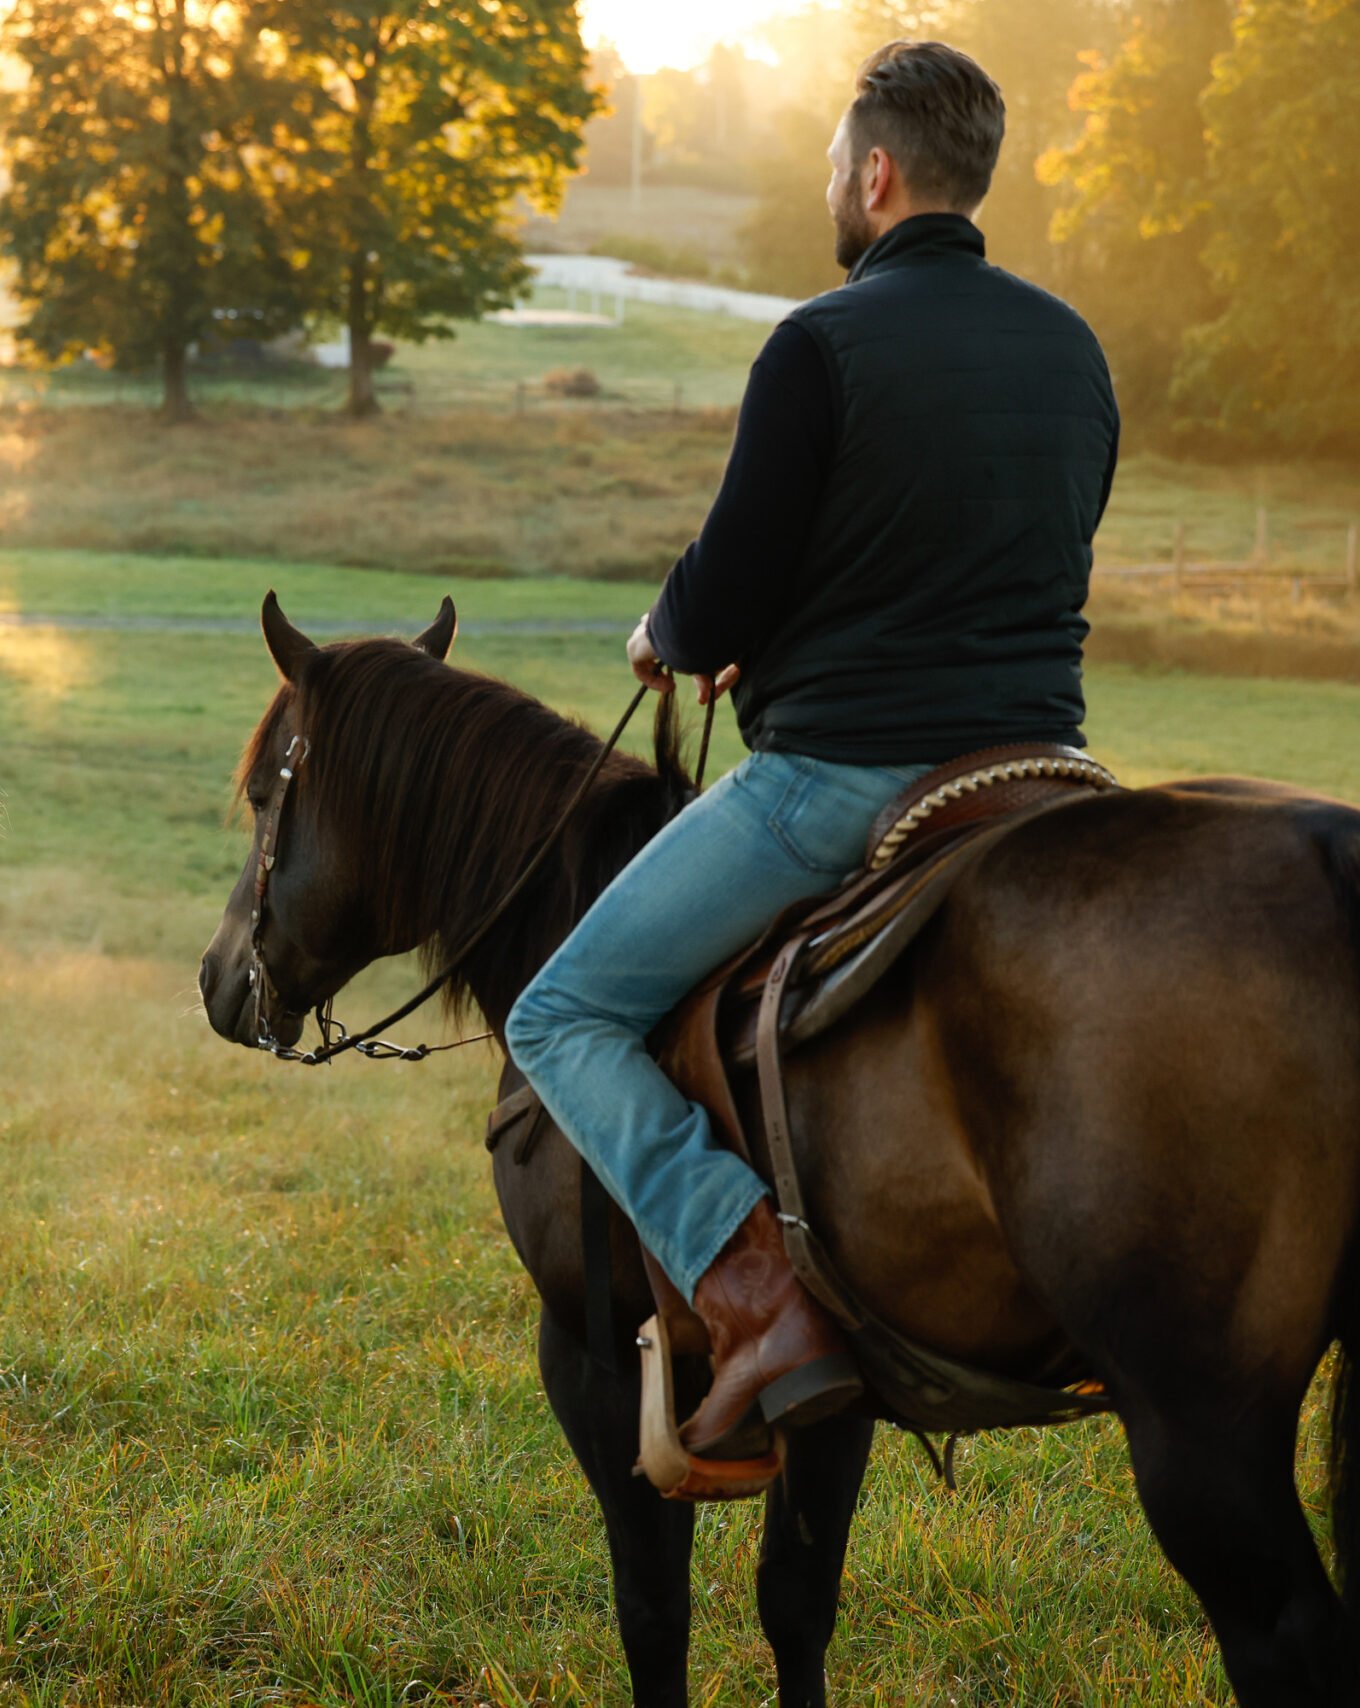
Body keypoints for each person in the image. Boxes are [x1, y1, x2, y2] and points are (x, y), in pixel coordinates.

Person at [503, 42, 1119, 1460]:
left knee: (560, 1017)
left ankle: (756, 1292)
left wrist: (673, 630)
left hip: (844, 785)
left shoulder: (822, 342)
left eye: (836, 167)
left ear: (877, 174)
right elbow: (1000, 560)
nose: (830, 188)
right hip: (1048, 776)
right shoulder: (1073, 349)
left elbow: (728, 589)